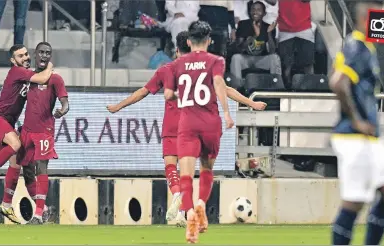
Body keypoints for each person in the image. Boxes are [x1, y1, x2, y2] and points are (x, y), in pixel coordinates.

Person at [106, 31, 267, 227]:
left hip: (172, 126)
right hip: (194, 123)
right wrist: (250, 103)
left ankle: (177, 197)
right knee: (196, 171)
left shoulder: (166, 69)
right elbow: (226, 89)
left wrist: (118, 106)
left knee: (170, 167)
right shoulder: (205, 67)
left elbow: (143, 92)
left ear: (176, 51)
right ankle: (189, 206)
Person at [329, 1, 384, 245]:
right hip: (354, 137)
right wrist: (357, 120)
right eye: (382, 12)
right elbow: (338, 82)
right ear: (369, 17)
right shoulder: (356, 46)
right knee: (354, 201)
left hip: (370, 137)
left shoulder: (367, 47)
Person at [163, 21, 233, 243]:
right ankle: (202, 203)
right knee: (206, 168)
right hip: (211, 122)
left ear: (188, 41)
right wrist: (227, 113)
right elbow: (219, 84)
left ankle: (190, 213)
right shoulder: (216, 60)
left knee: (185, 174)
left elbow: (167, 95)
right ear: (209, 40)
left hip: (188, 123)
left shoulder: (178, 63)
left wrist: (181, 95)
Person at [0, 45, 54, 197]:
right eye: (20, 56)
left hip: (7, 122)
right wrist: (49, 65)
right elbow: (43, 78)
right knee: (16, 144)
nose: (25, 57)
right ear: (13, 60)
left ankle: (6, 205)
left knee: (16, 162)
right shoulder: (17, 71)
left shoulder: (26, 74)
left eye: (26, 54)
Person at [16, 42, 69, 225]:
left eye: (48, 53)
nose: (44, 55)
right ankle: (44, 209)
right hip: (27, 131)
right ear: (35, 54)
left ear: (50, 56)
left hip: (44, 131)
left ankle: (37, 215)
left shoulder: (55, 79)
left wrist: (63, 109)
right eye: (41, 52)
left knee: (41, 168)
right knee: (28, 172)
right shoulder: (28, 77)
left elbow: (65, 102)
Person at [229, 1, 281, 89]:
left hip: (261, 59)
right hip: (246, 58)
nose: (255, 12)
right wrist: (254, 36)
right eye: (253, 9)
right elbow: (240, 49)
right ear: (250, 12)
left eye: (258, 10)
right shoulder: (243, 24)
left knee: (275, 58)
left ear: (264, 13)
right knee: (236, 58)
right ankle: (237, 89)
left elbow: (272, 51)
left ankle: (275, 88)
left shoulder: (268, 27)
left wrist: (268, 33)